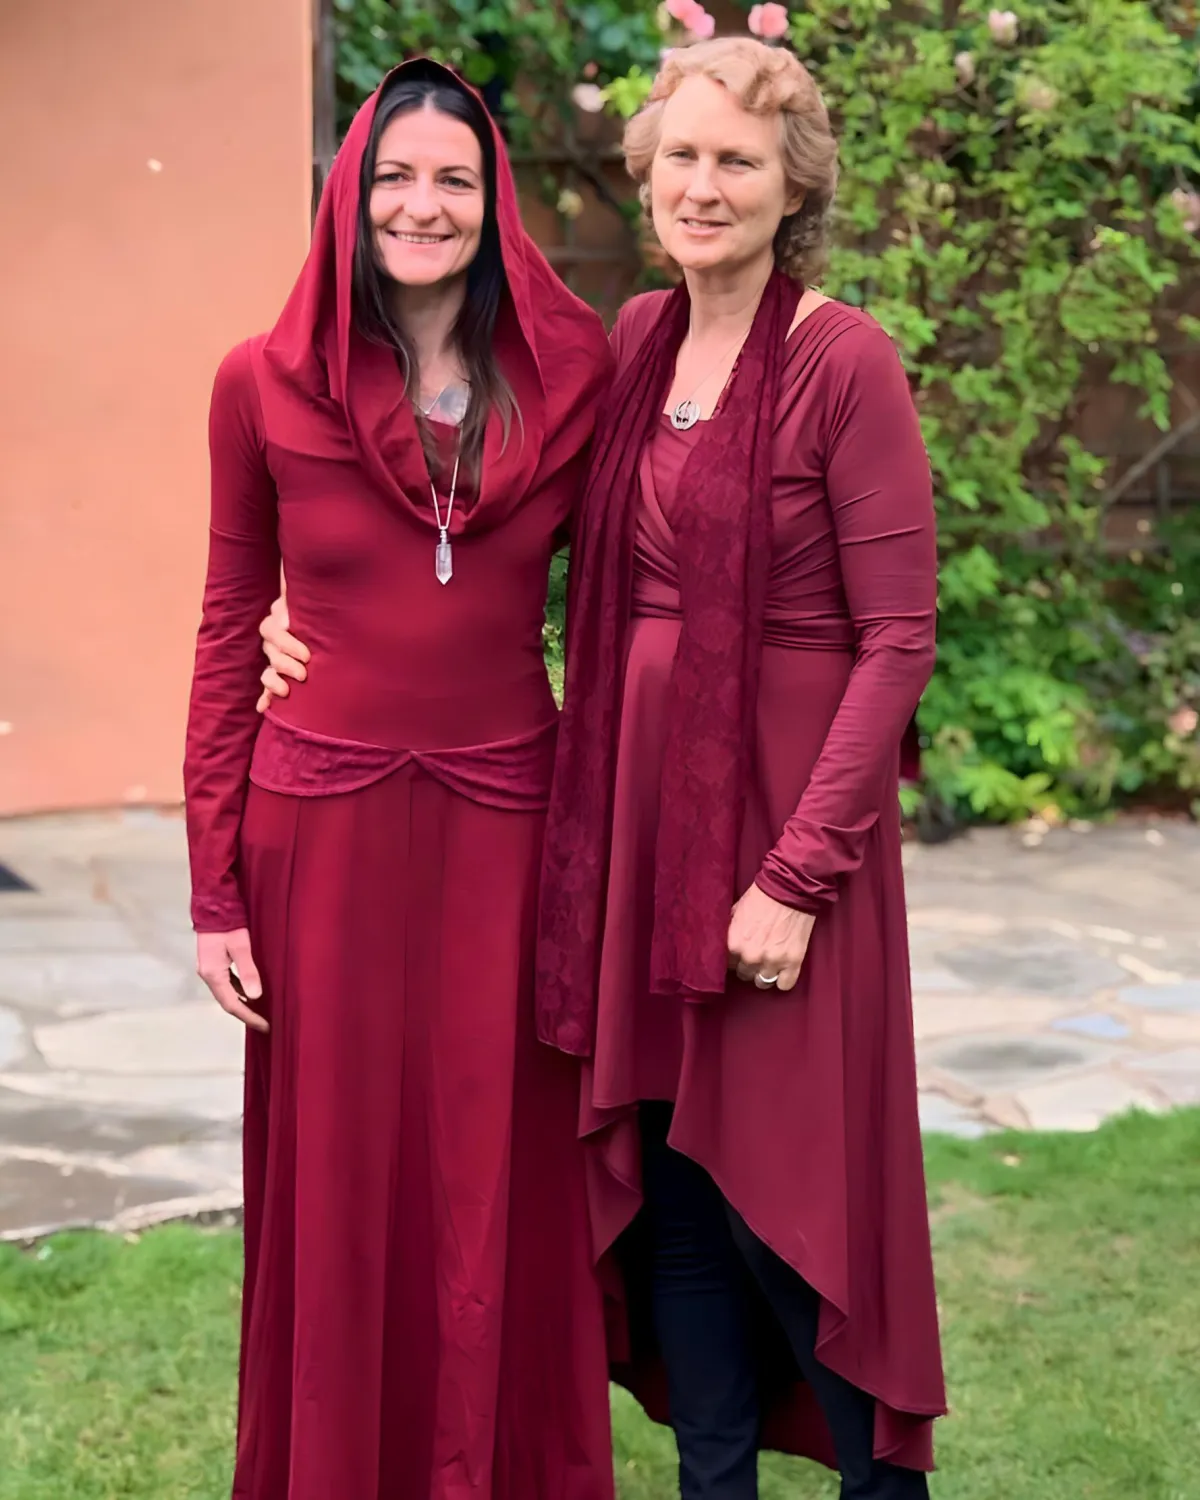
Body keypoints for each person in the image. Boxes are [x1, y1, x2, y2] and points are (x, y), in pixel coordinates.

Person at [258, 36, 946, 1500]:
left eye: (739, 163)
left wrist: (794, 877)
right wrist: (298, 614)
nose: (705, 187)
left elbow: (899, 643)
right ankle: (713, 1485)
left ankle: (880, 1487)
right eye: (682, 158)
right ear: (646, 175)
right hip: (637, 833)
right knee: (681, 1191)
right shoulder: (633, 345)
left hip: (780, 850)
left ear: (793, 188)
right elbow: (478, 524)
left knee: (788, 1193)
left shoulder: (845, 361)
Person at [184, 58, 615, 1500]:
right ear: (349, 195)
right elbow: (223, 625)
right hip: (320, 838)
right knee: (345, 1192)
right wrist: (210, 886)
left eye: (453, 181)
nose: (421, 206)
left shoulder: (577, 389)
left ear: (493, 208)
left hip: (513, 829)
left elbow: (652, 575)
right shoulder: (260, 382)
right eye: (394, 179)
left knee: (499, 1186)